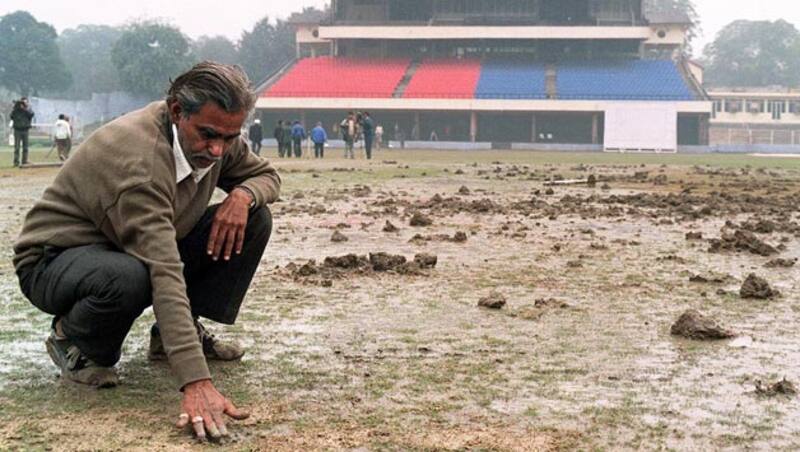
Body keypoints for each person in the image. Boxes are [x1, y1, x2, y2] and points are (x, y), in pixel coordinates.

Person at [13, 62, 281, 441]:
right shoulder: (139, 163)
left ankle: (169, 338)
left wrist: (243, 194)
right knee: (130, 277)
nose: (218, 149)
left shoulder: (218, 137)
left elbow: (267, 176)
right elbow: (163, 269)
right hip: (56, 260)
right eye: (208, 135)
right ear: (177, 112)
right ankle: (73, 339)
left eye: (229, 136)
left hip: (131, 247)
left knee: (254, 218)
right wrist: (195, 381)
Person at [10, 97, 34, 167]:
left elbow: (31, 115)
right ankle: (16, 162)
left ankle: (24, 161)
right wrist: (16, 107)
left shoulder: (28, 110)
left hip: (25, 130)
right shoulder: (15, 111)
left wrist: (25, 108)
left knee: (25, 147)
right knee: (17, 147)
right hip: (17, 130)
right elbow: (11, 116)